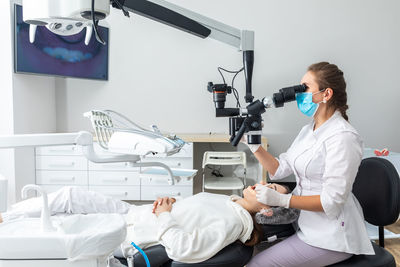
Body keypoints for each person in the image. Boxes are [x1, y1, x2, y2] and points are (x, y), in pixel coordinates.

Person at [245, 62, 374, 267]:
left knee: (256, 265)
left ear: (326, 94)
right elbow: (279, 169)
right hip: (305, 224)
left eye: (304, 88)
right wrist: (254, 146)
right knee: (247, 248)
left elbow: (331, 201)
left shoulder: (343, 137)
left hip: (330, 237)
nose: (298, 94)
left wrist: (283, 200)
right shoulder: (309, 130)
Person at [0, 183, 290, 264]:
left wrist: (164, 214)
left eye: (271, 190)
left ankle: (6, 227)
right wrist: (173, 205)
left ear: (267, 211)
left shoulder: (233, 223)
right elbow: (193, 216)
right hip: (135, 215)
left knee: (58, 223)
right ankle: (5, 217)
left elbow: (182, 248)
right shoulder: (228, 203)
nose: (262, 184)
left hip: (128, 234)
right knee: (70, 196)